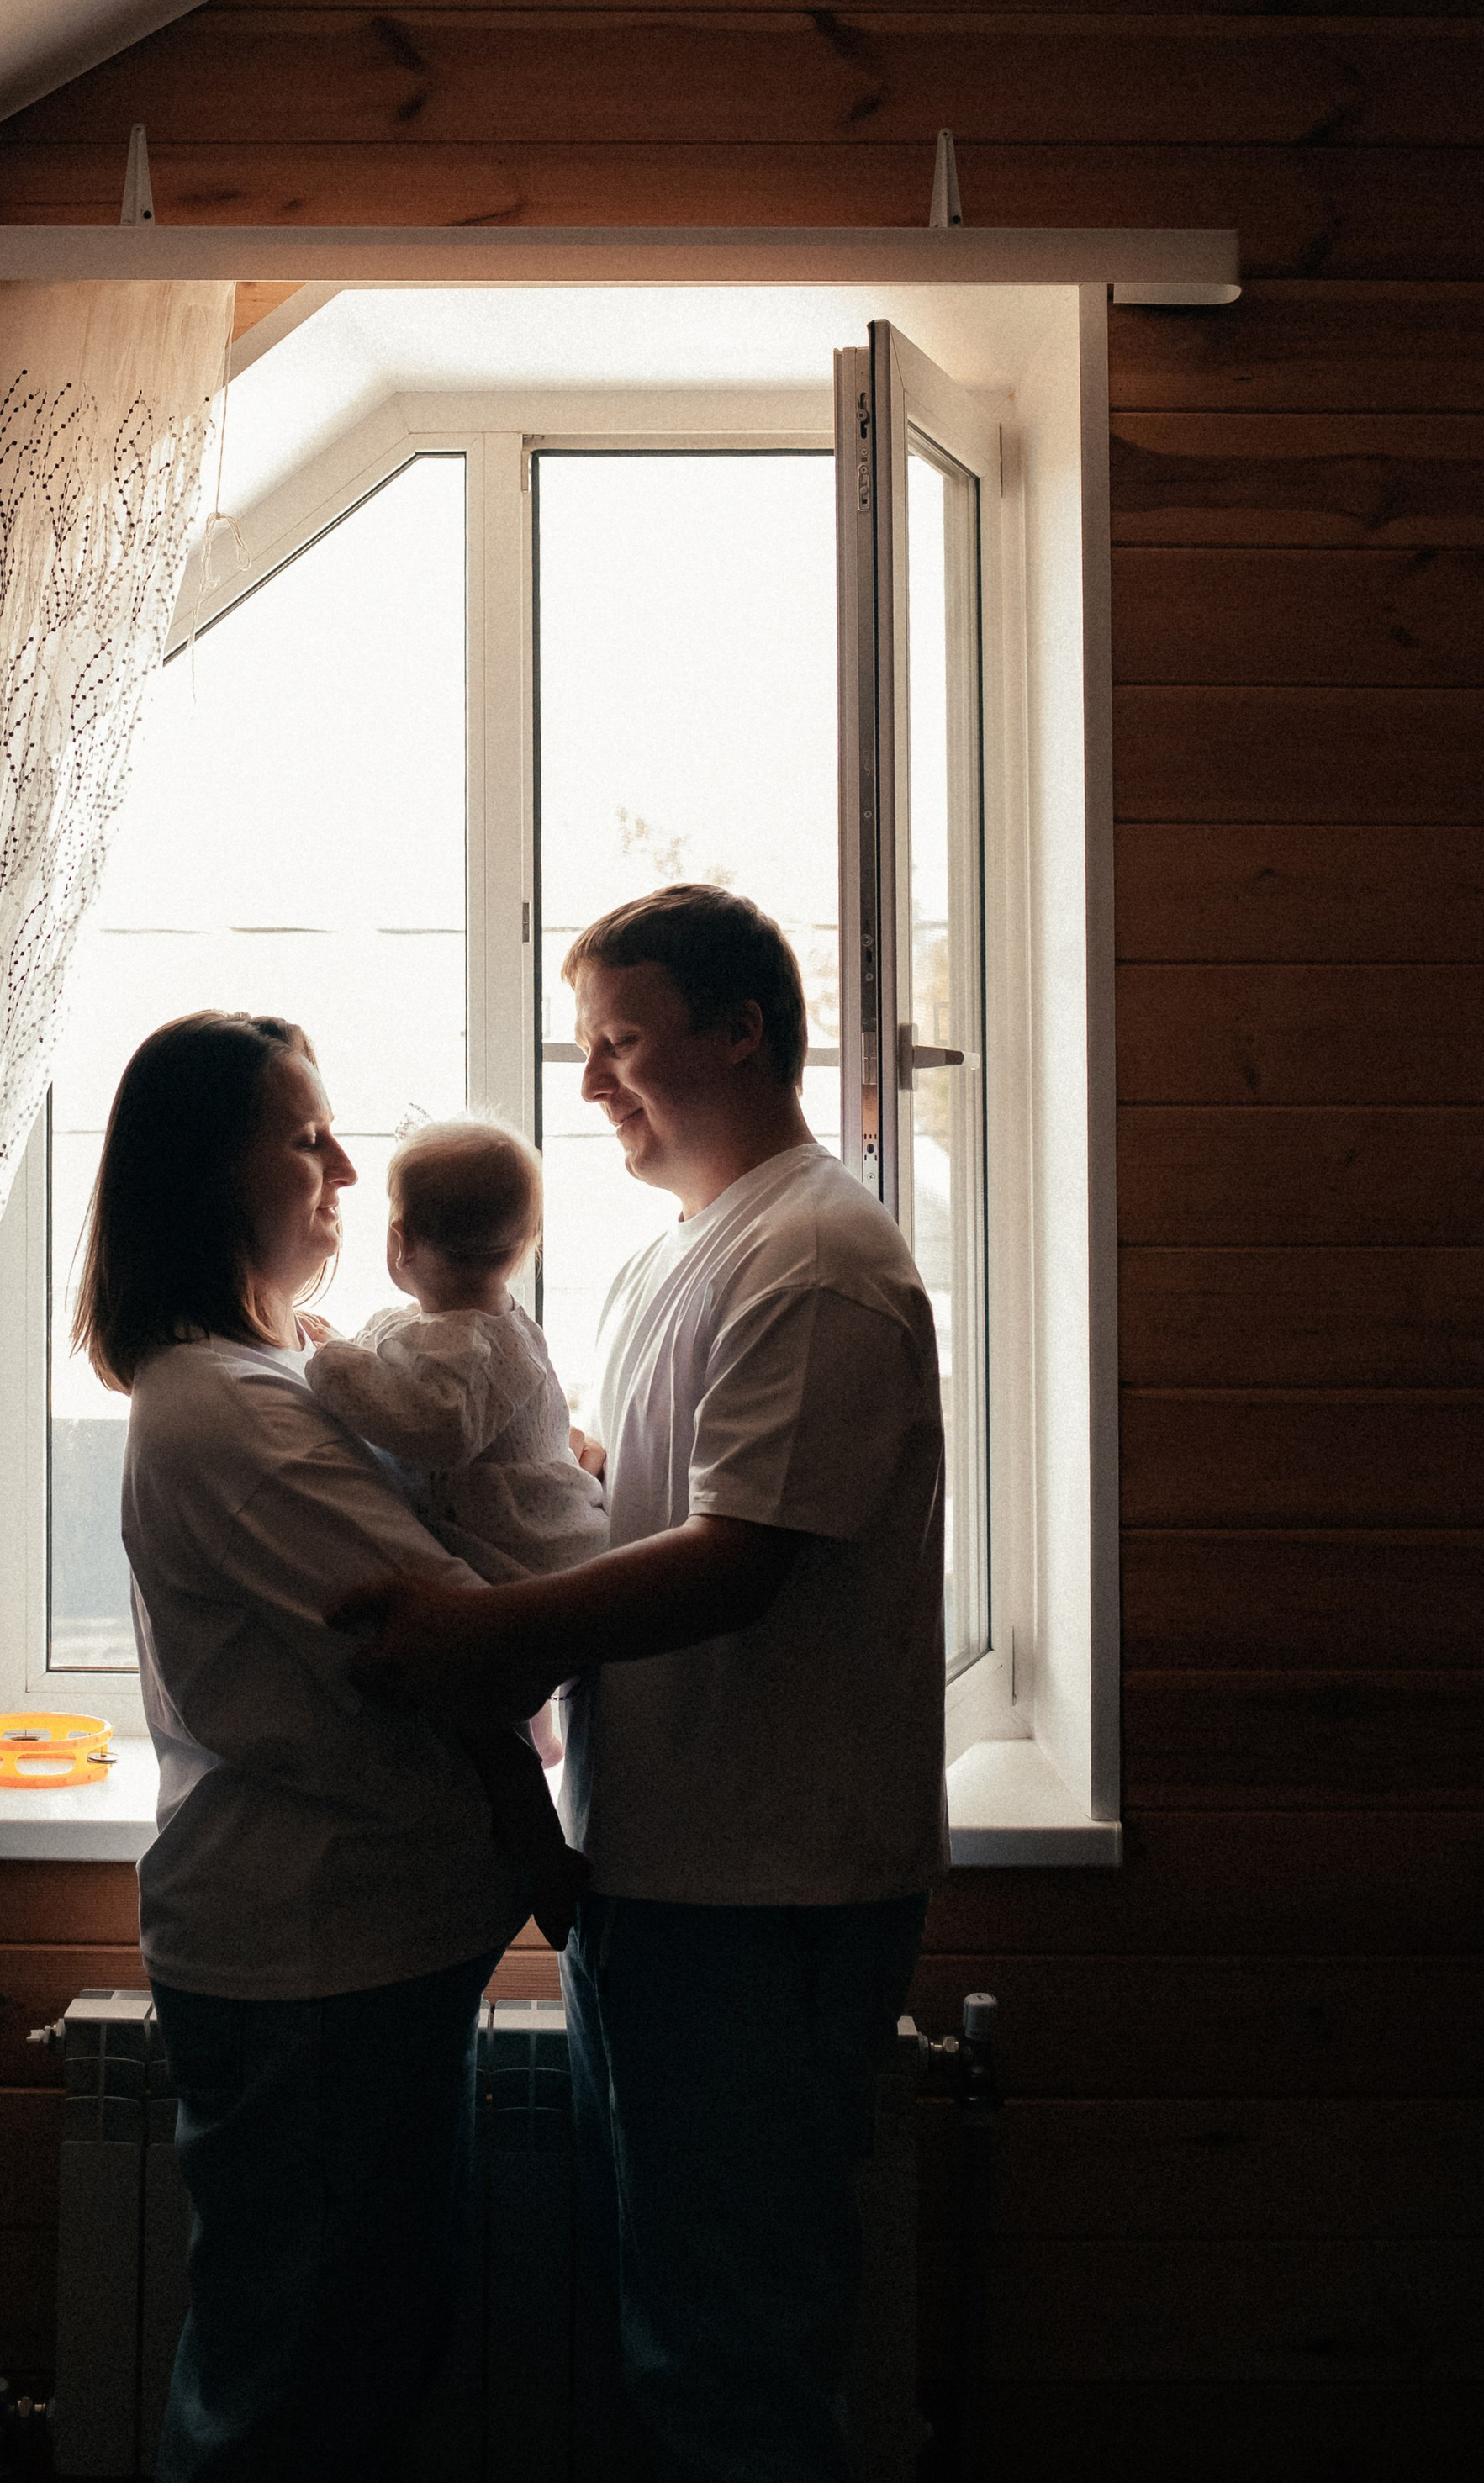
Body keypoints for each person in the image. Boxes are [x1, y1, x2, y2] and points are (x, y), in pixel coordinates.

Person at [335, 885, 948, 2483]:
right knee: (682, 2328)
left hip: (768, 1889)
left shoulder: (815, 1260)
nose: (593, 1081)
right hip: (675, 1872)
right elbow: (653, 1506)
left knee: (728, 2354)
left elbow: (741, 1562)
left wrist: (476, 1639)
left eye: (621, 1041)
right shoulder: (687, 1256)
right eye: (588, 1047)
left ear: (740, 1031)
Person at [83, 1012, 526, 2482]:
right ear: (212, 1177)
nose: (346, 1163)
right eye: (302, 1135)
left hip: (355, 1950)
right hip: (316, 1955)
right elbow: (453, 1635)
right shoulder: (223, 1405)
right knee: (294, 2389)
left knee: (351, 2362)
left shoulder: (281, 1378)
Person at [304, 1116, 607, 1944]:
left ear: (399, 1244)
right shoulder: (488, 1327)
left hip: (514, 1568)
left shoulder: (468, 1343)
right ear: (525, 1245)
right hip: (530, 1554)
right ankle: (537, 1756)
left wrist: (329, 1363)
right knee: (494, 1724)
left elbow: (432, 1427)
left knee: (484, 1730)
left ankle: (546, 1861)